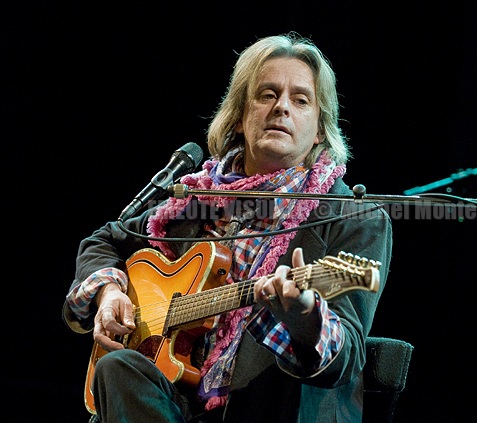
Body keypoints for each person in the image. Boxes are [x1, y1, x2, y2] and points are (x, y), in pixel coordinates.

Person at [63, 32, 393, 423]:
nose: (282, 107)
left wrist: (304, 318)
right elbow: (104, 240)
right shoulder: (194, 197)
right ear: (239, 115)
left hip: (267, 409)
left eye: (301, 100)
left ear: (320, 129)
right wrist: (108, 293)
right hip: (166, 399)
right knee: (117, 366)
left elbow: (348, 358)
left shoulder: (353, 217)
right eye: (267, 94)